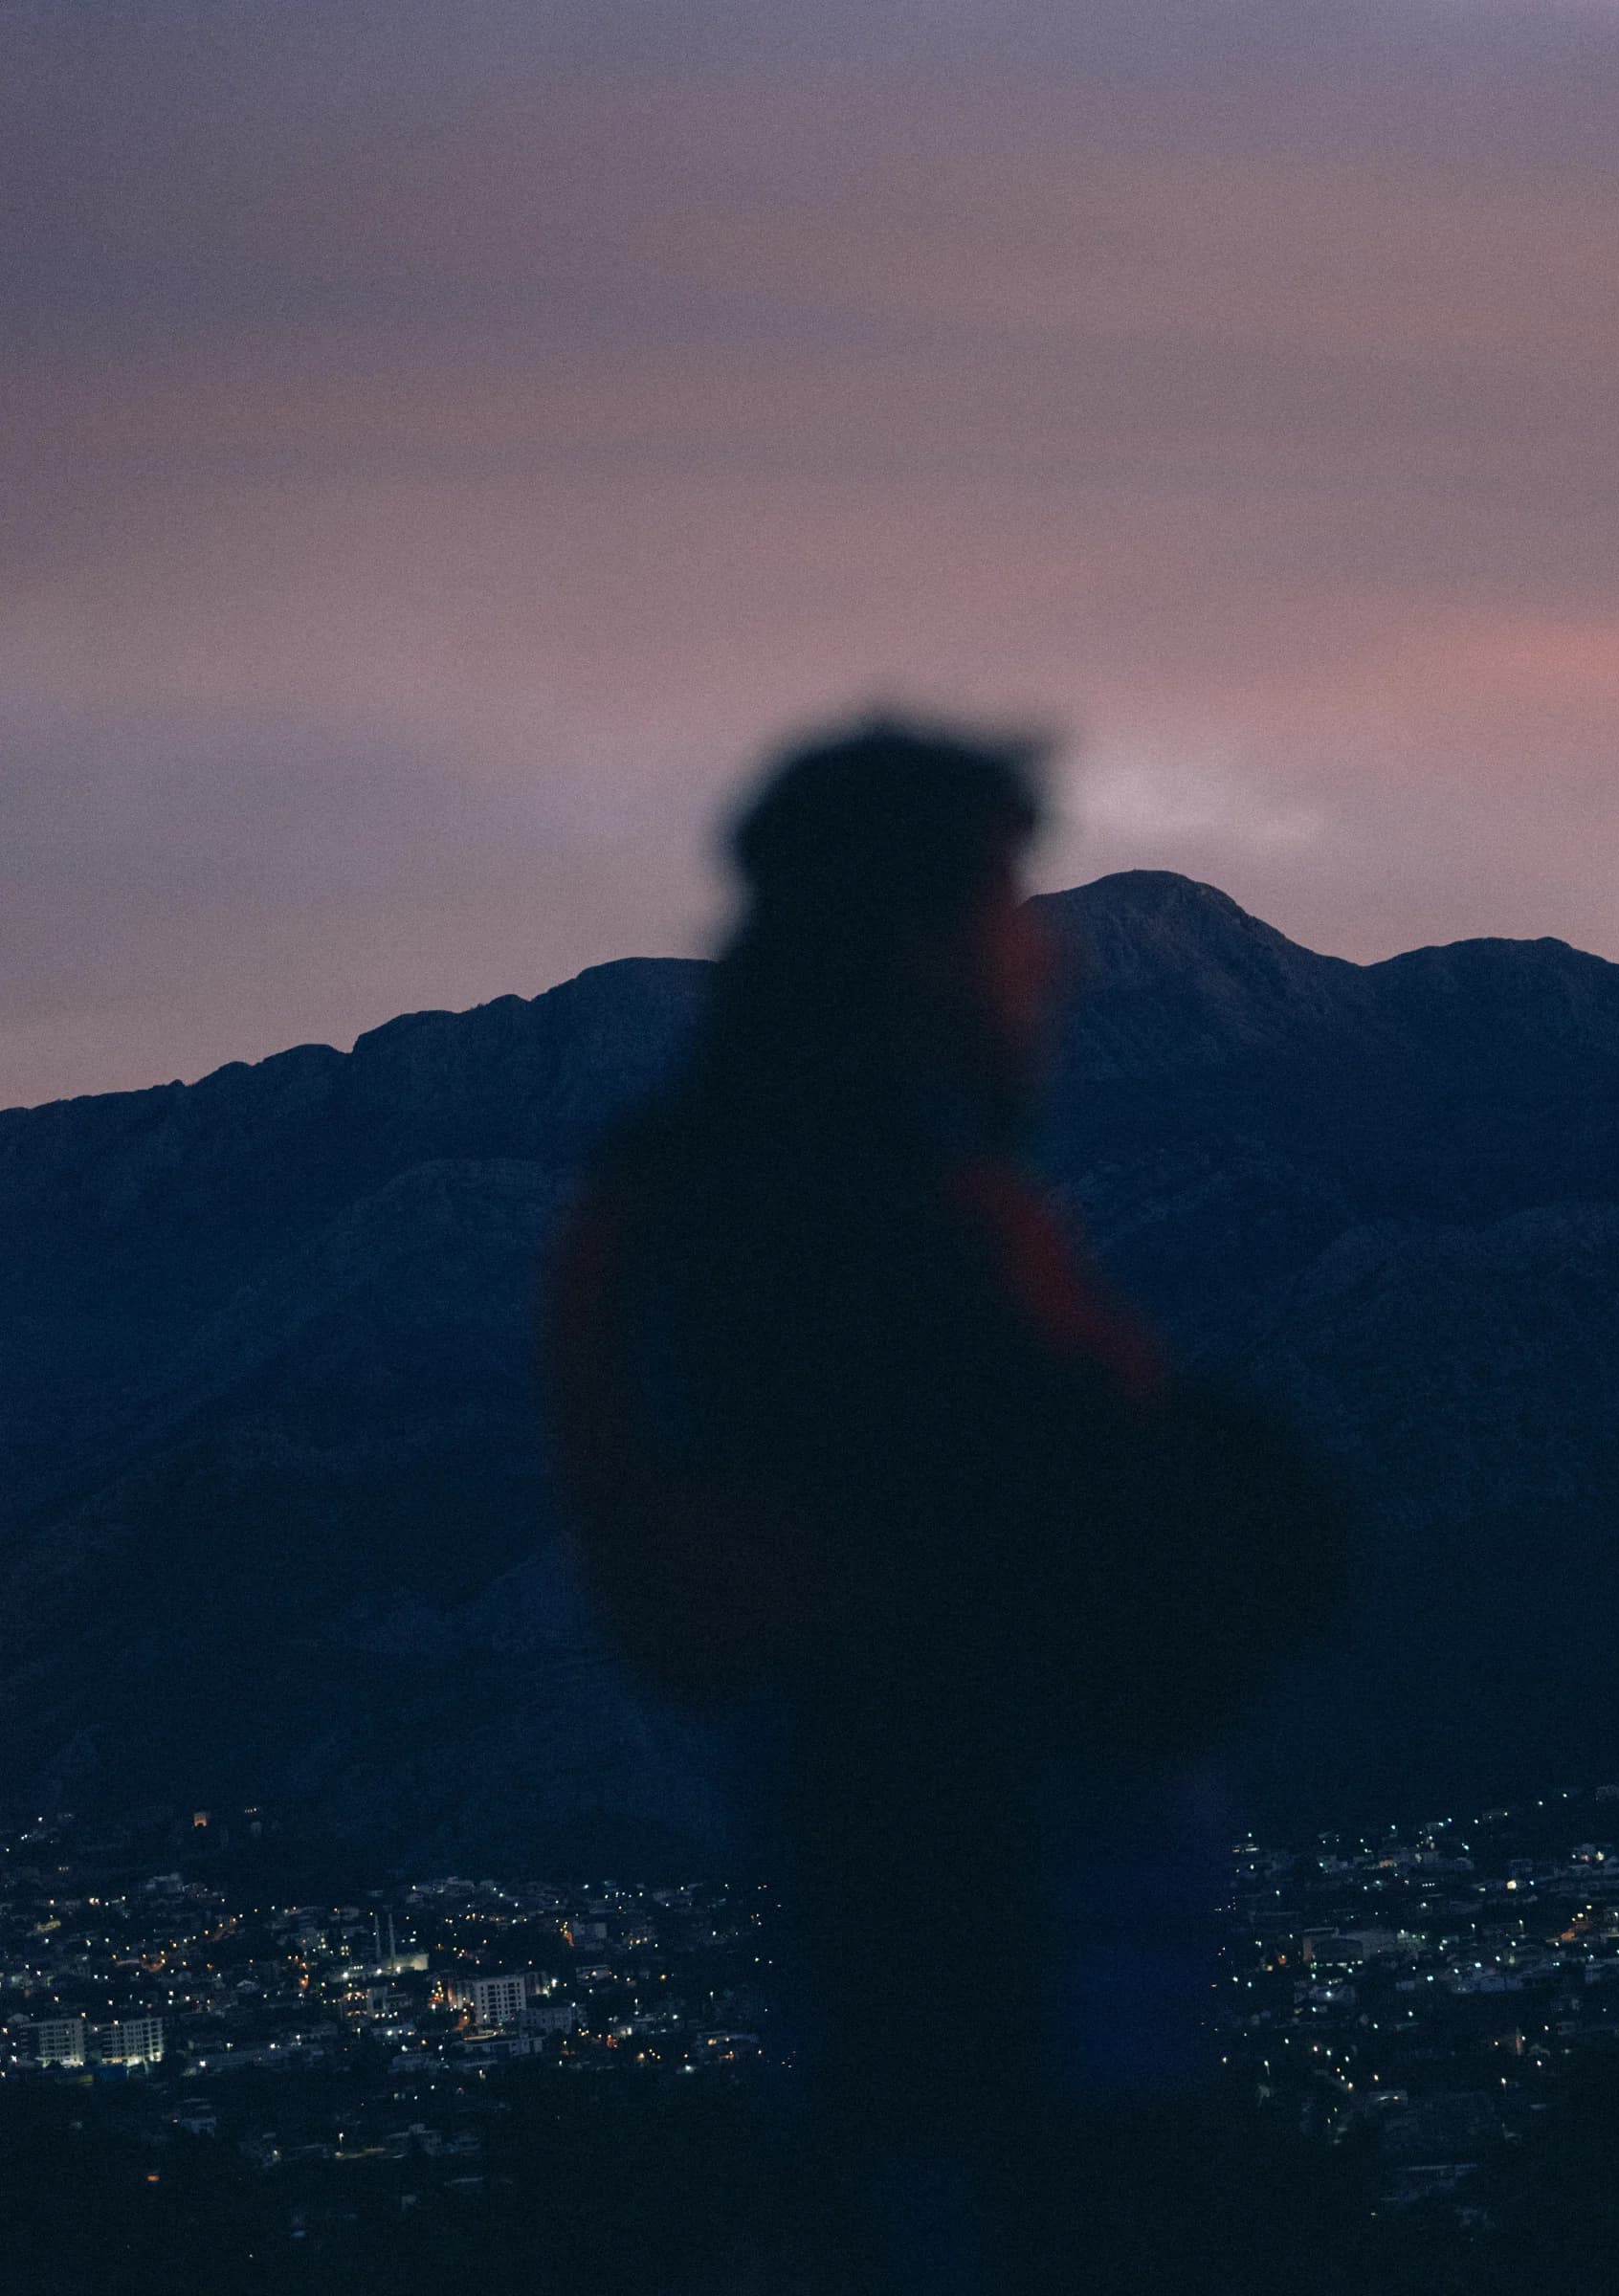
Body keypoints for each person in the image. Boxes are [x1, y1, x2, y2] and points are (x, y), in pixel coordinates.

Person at [543, 717, 1345, 2292]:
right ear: (913, 946)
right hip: (1007, 2050)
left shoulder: (763, 1203)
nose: (1053, 966)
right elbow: (1173, 1568)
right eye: (1006, 915)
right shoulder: (827, 1226)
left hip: (961, 2037)